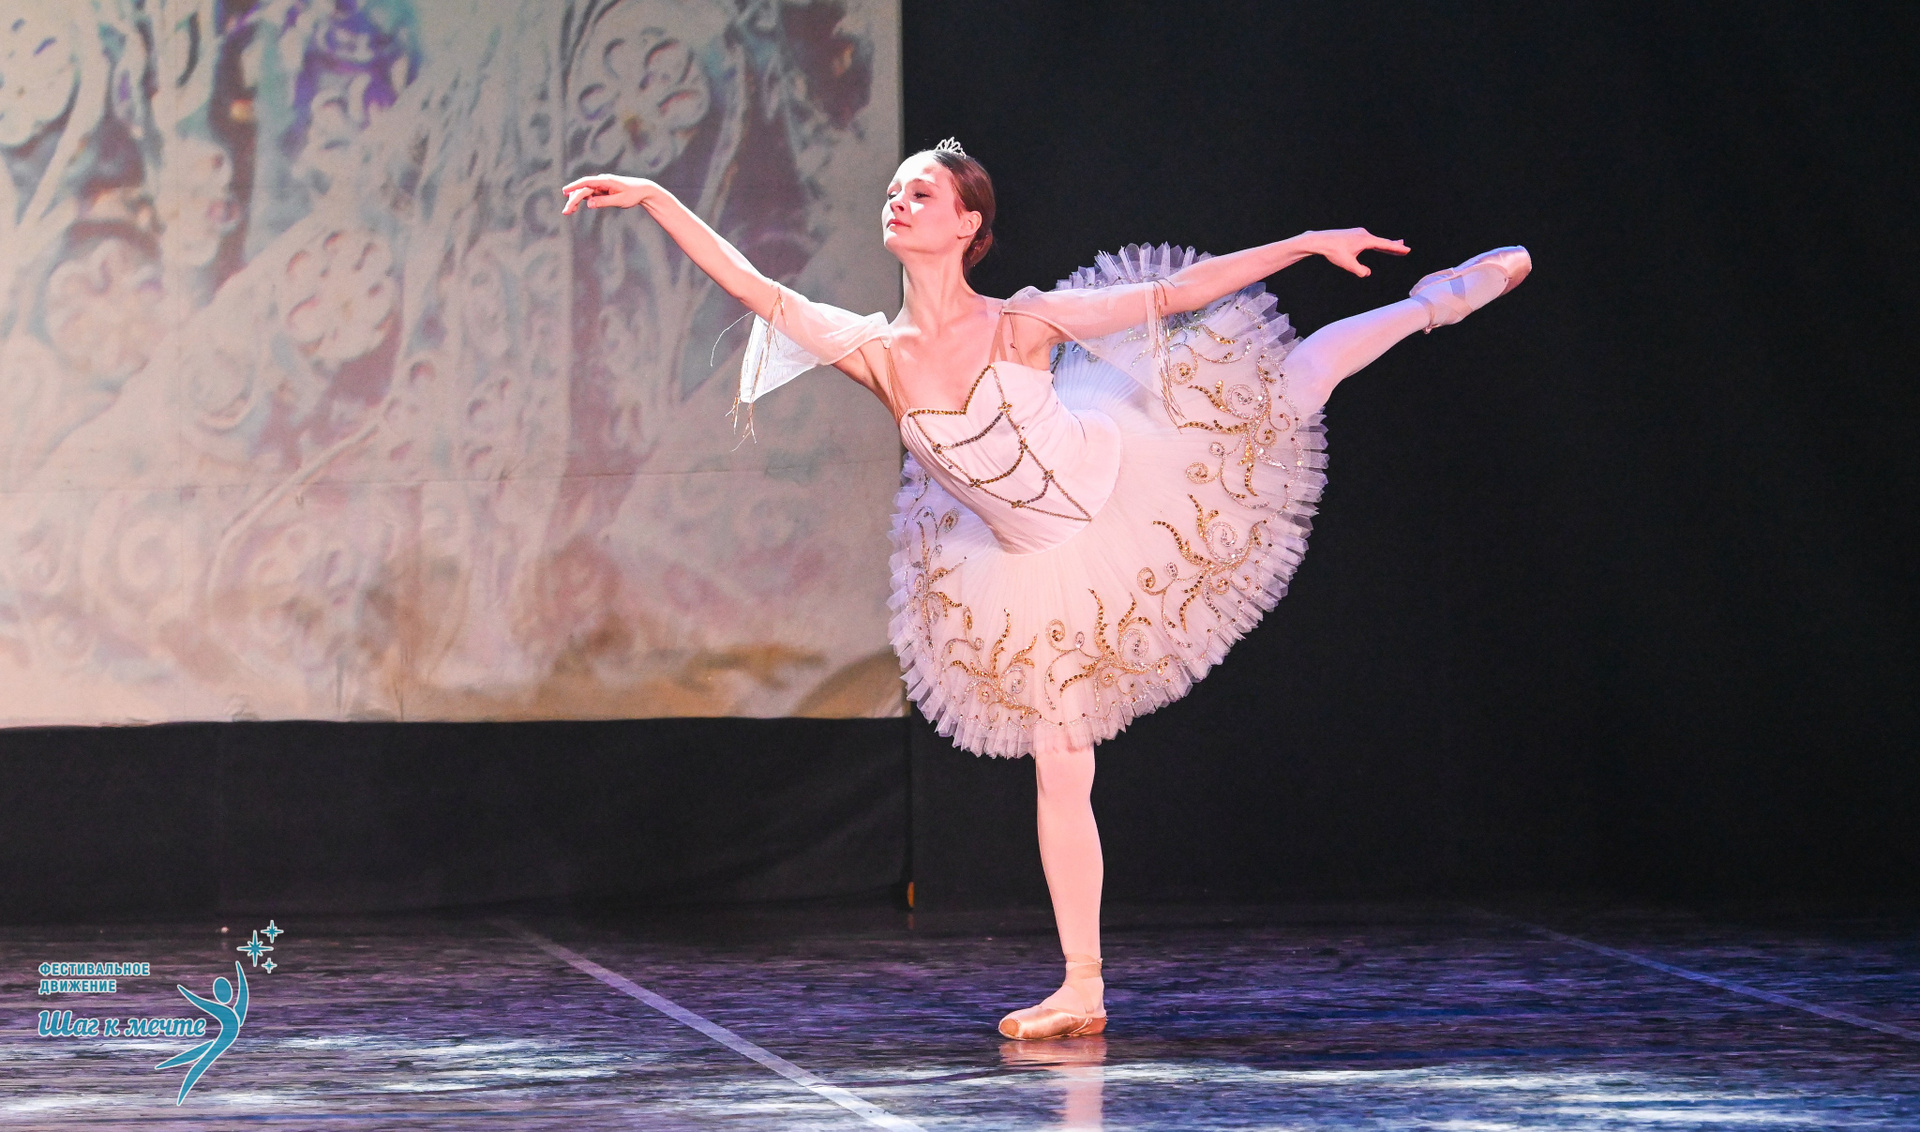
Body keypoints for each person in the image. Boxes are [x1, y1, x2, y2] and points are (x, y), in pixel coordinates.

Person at [561, 139, 1528, 1040]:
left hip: (1127, 486)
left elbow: (1175, 293)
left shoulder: (1021, 324)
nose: (899, 201)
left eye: (921, 192)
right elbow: (758, 289)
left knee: (1292, 382)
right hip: (1031, 566)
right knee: (1061, 766)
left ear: (967, 224)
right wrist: (655, 197)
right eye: (893, 191)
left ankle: (1433, 303)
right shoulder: (877, 353)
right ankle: (1083, 988)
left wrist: (1307, 243)